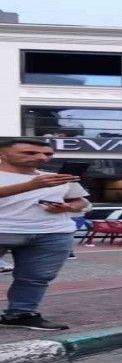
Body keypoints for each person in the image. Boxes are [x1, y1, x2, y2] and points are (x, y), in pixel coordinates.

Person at [0, 138, 90, 330]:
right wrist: (32, 185)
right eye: (30, 153)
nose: (41, 157)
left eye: (47, 154)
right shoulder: (43, 181)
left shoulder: (57, 177)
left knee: (36, 278)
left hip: (52, 233)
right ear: (3, 154)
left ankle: (20, 314)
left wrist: (68, 207)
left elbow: (81, 202)